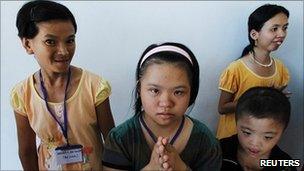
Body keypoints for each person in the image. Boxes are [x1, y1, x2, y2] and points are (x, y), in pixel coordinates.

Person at [10, 1, 115, 170]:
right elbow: (27, 151)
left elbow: (113, 143)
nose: (64, 51)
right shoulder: (23, 94)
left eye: (70, 40)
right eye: (50, 42)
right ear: (28, 44)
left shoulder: (94, 87)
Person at [102, 42, 222, 170]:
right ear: (139, 89)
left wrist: (181, 168)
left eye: (178, 92)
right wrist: (151, 168)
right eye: (155, 91)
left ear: (191, 92)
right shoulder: (119, 139)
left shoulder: (206, 141)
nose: (165, 103)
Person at [217, 4, 290, 139]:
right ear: (254, 34)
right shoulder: (236, 69)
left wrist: (277, 99)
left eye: (285, 28)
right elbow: (222, 108)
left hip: (262, 140)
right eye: (274, 29)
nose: (282, 34)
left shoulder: (281, 69)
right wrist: (259, 100)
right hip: (232, 139)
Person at [220, 86, 297, 171]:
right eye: (247, 132)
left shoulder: (284, 164)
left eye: (267, 137)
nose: (255, 144)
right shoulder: (218, 152)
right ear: (236, 123)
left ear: (282, 132)